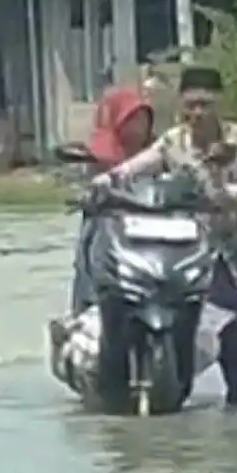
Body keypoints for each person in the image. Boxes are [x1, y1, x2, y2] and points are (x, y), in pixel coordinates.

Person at [93, 66, 237, 406]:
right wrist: (107, 181)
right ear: (182, 105)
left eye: (205, 105)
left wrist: (227, 195)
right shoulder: (174, 142)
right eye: (191, 105)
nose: (198, 113)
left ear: (219, 104)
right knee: (231, 342)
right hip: (200, 258)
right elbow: (139, 165)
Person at [68, 86, 157, 315]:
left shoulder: (159, 153)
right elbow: (92, 188)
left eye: (142, 119)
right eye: (132, 119)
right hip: (110, 228)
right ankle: (88, 310)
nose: (138, 127)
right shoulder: (102, 153)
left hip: (150, 229)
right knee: (93, 243)